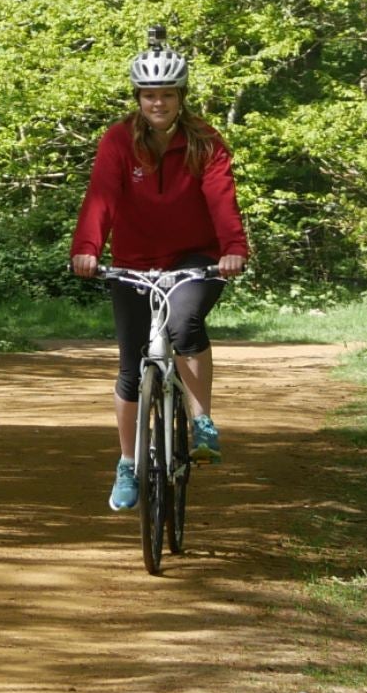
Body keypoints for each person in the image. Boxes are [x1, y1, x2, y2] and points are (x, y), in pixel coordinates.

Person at [69, 29, 250, 513]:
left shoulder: (205, 140)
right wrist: (87, 249)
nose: (158, 103)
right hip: (133, 263)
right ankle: (128, 463)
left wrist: (232, 249)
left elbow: (221, 198)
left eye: (167, 94)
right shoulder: (118, 141)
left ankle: (202, 421)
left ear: (180, 96)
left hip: (195, 259)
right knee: (132, 368)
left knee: (184, 323)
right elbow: (101, 199)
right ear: (139, 97)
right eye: (150, 95)